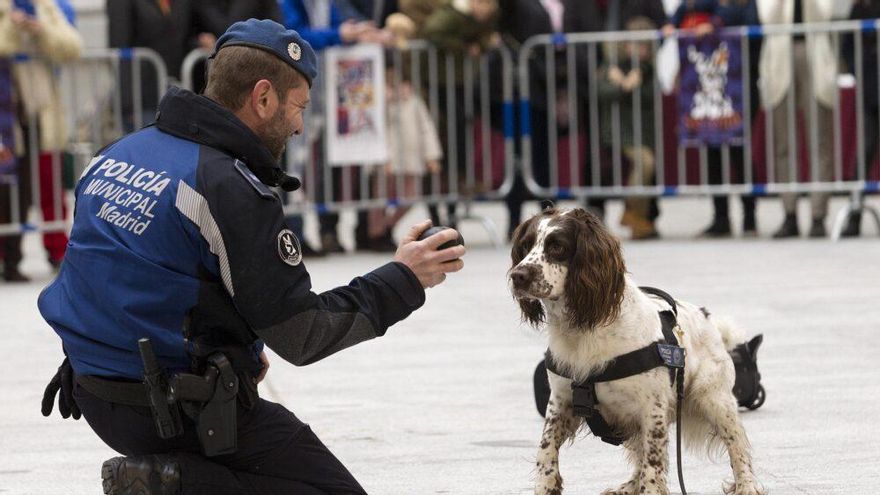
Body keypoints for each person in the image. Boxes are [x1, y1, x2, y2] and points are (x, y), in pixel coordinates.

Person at [38, 19, 465, 494]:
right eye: (298, 106)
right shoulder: (228, 188)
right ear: (263, 98)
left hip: (95, 391)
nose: (301, 125)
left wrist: (240, 345)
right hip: (176, 410)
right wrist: (405, 277)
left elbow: (128, 275)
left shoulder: (116, 154)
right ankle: (174, 484)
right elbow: (303, 335)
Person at [0, 0, 82, 281]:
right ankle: (8, 258)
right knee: (7, 190)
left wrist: (39, 29)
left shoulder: (47, 6)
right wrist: (12, 24)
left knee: (50, 182)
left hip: (41, 109)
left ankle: (58, 251)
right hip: (6, 112)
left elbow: (71, 46)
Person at [758, 0, 836, 238]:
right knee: (784, 143)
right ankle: (789, 213)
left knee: (820, 141)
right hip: (780, 58)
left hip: (814, 55)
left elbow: (825, 14)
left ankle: (818, 214)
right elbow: (768, 16)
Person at [366, 62, 444, 251]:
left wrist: (431, 155)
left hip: (411, 159)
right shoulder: (380, 104)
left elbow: (426, 127)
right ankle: (375, 234)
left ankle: (387, 226)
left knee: (411, 196)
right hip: (387, 160)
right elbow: (376, 129)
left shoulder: (415, 101)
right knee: (380, 199)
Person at [597, 16, 660, 240]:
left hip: (642, 132)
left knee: (648, 165)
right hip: (618, 131)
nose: (638, 50)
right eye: (634, 44)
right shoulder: (612, 66)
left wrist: (637, 82)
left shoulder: (649, 69)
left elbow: (651, 96)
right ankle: (634, 214)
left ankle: (635, 216)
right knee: (645, 163)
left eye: (643, 45)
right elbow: (601, 92)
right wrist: (623, 86)